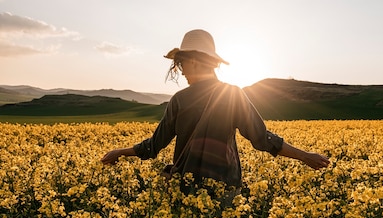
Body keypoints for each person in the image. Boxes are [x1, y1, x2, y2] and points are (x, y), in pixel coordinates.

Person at [101, 30, 330, 187]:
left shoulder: (179, 100)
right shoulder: (232, 94)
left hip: (186, 187)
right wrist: (304, 156)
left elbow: (154, 145)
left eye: (182, 63)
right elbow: (262, 139)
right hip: (225, 188)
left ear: (194, 61)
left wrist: (121, 152)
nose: (180, 70)